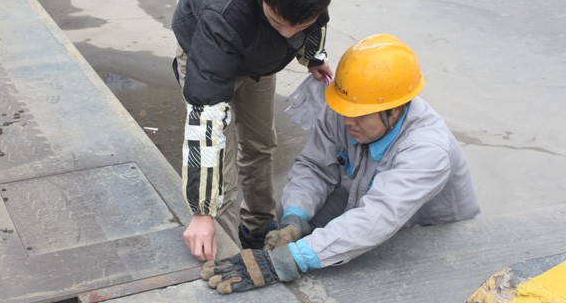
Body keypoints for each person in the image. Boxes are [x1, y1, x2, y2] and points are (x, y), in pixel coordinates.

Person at [200, 34, 480, 294]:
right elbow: (315, 167)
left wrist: (292, 259)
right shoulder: (350, 107)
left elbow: (377, 217)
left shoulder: (428, 151)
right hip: (362, 199)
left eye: (358, 117)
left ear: (394, 112)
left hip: (425, 233)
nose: (347, 122)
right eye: (345, 112)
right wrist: (295, 217)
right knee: (296, 233)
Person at [171, 0, 342, 261]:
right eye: (280, 22)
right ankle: (228, 253)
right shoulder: (222, 18)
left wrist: (311, 56)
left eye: (299, 25)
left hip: (257, 57)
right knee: (225, 174)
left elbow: (315, 18)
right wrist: (201, 212)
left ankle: (257, 227)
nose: (289, 33)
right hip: (206, 52)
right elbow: (205, 123)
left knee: (261, 143)